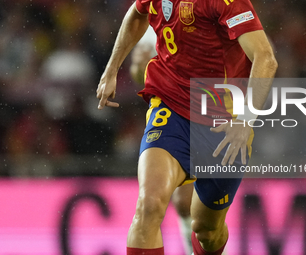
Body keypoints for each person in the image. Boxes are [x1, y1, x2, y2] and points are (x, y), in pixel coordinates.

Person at [96, 0, 277, 254]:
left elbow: (265, 58)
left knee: (207, 231)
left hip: (222, 124)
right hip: (170, 107)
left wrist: (245, 120)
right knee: (149, 205)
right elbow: (136, 14)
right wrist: (112, 68)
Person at [130, 26, 194, 254]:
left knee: (200, 212)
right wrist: (144, 65)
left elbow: (261, 58)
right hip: (171, 112)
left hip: (215, 104)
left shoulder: (224, 8)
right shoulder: (159, 12)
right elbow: (138, 71)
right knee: (162, 203)